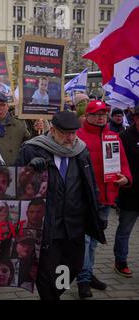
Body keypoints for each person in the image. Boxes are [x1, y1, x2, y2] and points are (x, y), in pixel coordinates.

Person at [15, 111, 106, 300]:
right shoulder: (32, 149)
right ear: (53, 130)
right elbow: (15, 184)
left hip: (74, 223)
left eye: (74, 133)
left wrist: (97, 212)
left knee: (72, 266)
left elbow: (90, 183)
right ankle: (51, 297)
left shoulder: (80, 149)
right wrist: (29, 169)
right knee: (47, 270)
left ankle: (56, 292)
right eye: (66, 133)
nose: (71, 138)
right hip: (47, 224)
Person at [75, 100, 132, 298]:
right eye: (96, 114)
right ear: (87, 116)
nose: (101, 117)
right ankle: (83, 279)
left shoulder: (113, 136)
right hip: (83, 198)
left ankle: (88, 273)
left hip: (105, 197)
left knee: (94, 241)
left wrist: (126, 178)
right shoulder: (77, 137)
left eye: (103, 113)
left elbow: (123, 163)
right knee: (85, 239)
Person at [114, 105, 139, 278]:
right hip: (131, 192)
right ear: (136, 118)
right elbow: (117, 164)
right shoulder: (124, 137)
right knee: (124, 230)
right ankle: (120, 261)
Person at [0, 93, 30, 165]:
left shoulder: (19, 124)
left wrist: (36, 130)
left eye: (2, 105)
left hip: (17, 169)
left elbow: (28, 144)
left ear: (7, 106)